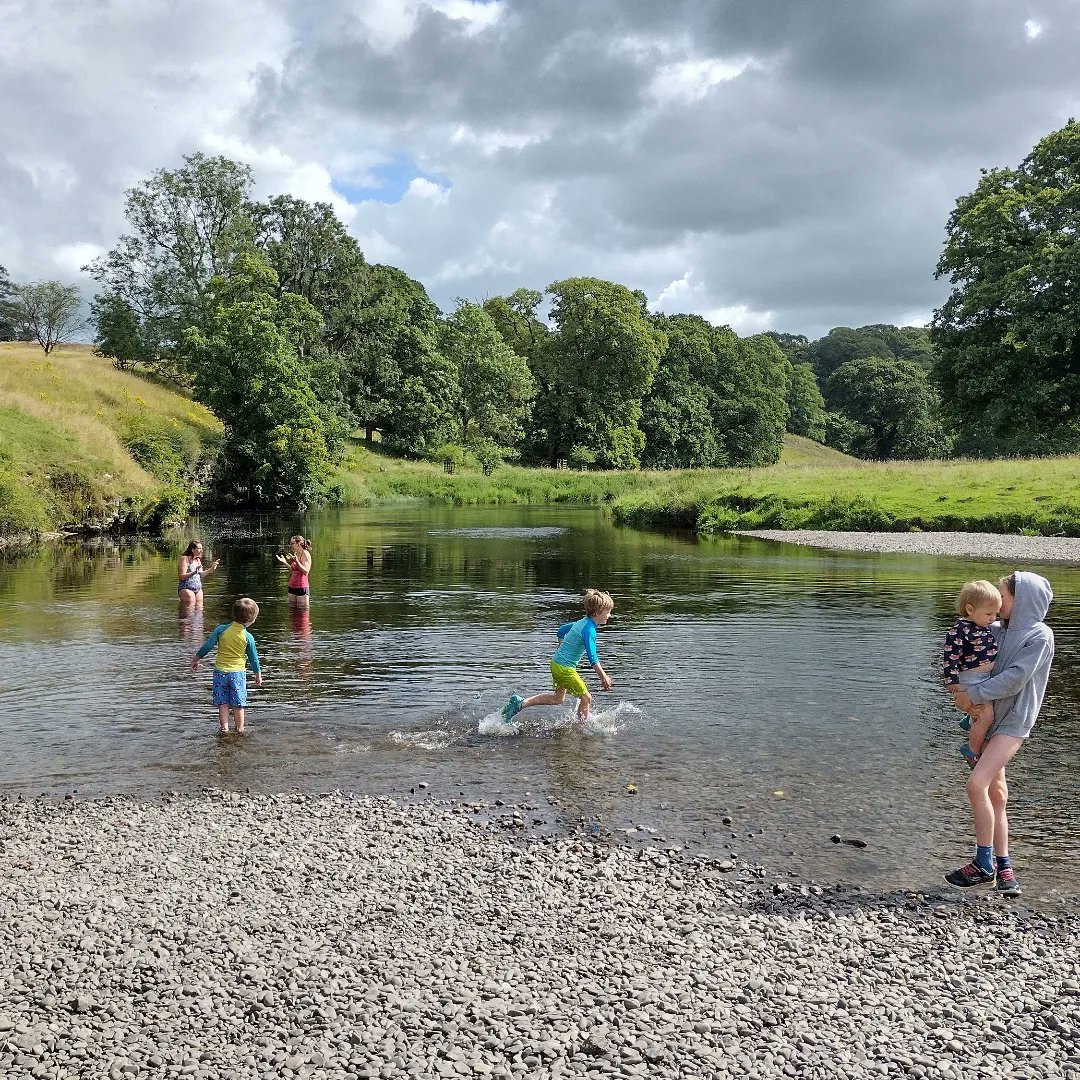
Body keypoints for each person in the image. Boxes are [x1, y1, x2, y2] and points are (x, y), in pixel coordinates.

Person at [945, 571, 1054, 897]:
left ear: (1022, 601)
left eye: (1002, 596)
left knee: (976, 784)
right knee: (997, 796)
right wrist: (958, 688)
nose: (996, 601)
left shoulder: (1039, 636)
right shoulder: (996, 629)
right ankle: (1005, 869)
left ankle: (983, 863)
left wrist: (971, 697)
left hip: (1014, 722)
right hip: (990, 720)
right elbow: (967, 652)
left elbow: (1015, 680)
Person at [501, 589, 614, 725]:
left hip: (556, 664)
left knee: (557, 699)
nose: (609, 615)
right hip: (565, 668)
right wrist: (603, 677)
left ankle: (521, 703)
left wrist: (561, 647)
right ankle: (584, 729)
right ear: (597, 612)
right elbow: (593, 658)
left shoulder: (581, 622)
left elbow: (561, 631)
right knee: (586, 697)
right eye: (607, 612)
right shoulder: (589, 630)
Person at [943, 579, 1000, 768]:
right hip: (971, 679)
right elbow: (950, 654)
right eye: (989, 613)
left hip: (983, 679)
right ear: (970, 610)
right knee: (987, 716)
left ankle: (970, 721)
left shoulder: (983, 626)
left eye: (996, 614)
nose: (993, 618)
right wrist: (951, 679)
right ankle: (972, 751)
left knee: (983, 714)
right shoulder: (961, 628)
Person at [191, 597, 263, 735]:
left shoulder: (221, 630)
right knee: (238, 704)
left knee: (222, 703)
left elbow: (207, 646)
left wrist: (196, 658)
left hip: (220, 673)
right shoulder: (248, 637)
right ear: (251, 620)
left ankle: (224, 728)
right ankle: (240, 728)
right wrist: (257, 674)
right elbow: (253, 658)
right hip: (237, 674)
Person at [177, 539, 220, 615]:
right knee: (188, 612)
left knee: (199, 613)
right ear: (192, 549)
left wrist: (211, 568)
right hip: (186, 589)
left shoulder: (198, 560)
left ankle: (197, 627)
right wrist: (194, 572)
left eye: (202, 549)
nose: (201, 551)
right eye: (199, 548)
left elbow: (201, 574)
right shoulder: (184, 559)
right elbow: (181, 576)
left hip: (198, 589)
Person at [275, 536, 312, 609]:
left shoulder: (305, 554)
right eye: (290, 543)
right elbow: (293, 570)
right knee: (292, 613)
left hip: (301, 587)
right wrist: (285, 562)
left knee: (302, 615)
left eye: (292, 543)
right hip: (292, 586)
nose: (290, 545)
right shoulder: (296, 553)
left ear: (299, 544)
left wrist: (297, 561)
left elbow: (306, 572)